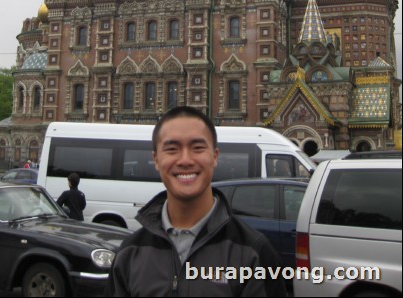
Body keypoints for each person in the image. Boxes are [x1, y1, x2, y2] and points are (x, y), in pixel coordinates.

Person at [107, 106, 287, 297]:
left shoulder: (253, 252)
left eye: (197, 148)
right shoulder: (130, 253)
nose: (185, 160)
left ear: (215, 156)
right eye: (172, 149)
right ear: (156, 160)